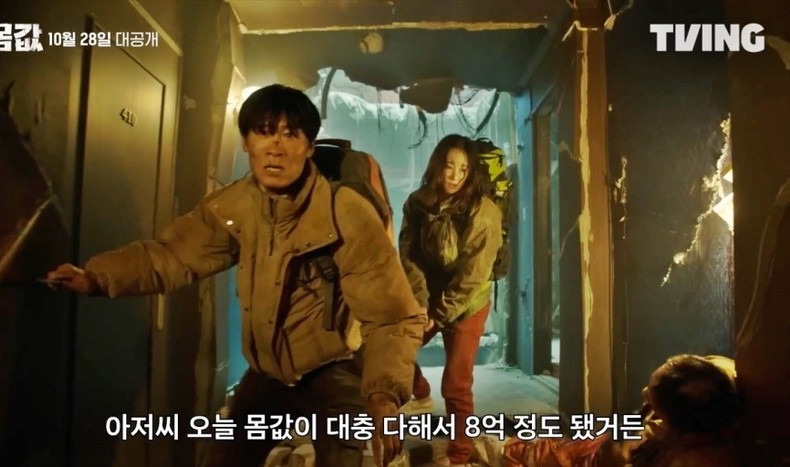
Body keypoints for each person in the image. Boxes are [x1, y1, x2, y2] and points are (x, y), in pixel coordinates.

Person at [46, 84, 426, 467]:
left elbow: (392, 315)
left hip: (336, 368)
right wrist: (96, 276)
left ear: (309, 146)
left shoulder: (345, 212)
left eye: (290, 134)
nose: (275, 147)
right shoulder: (235, 206)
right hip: (267, 373)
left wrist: (383, 395)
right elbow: (172, 255)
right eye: (264, 132)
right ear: (246, 142)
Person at [397, 134, 504, 466]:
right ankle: (420, 395)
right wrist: (420, 302)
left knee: (456, 382)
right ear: (437, 166)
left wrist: (440, 314)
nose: (455, 176)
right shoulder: (418, 202)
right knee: (396, 350)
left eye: (463, 169)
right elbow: (409, 256)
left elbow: (473, 276)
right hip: (429, 295)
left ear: (471, 172)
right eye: (449, 166)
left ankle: (459, 456)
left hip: (468, 302)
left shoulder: (483, 212)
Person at [502, 354, 742, 467]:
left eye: (653, 403)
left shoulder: (697, 460)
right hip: (588, 449)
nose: (644, 393)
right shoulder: (716, 374)